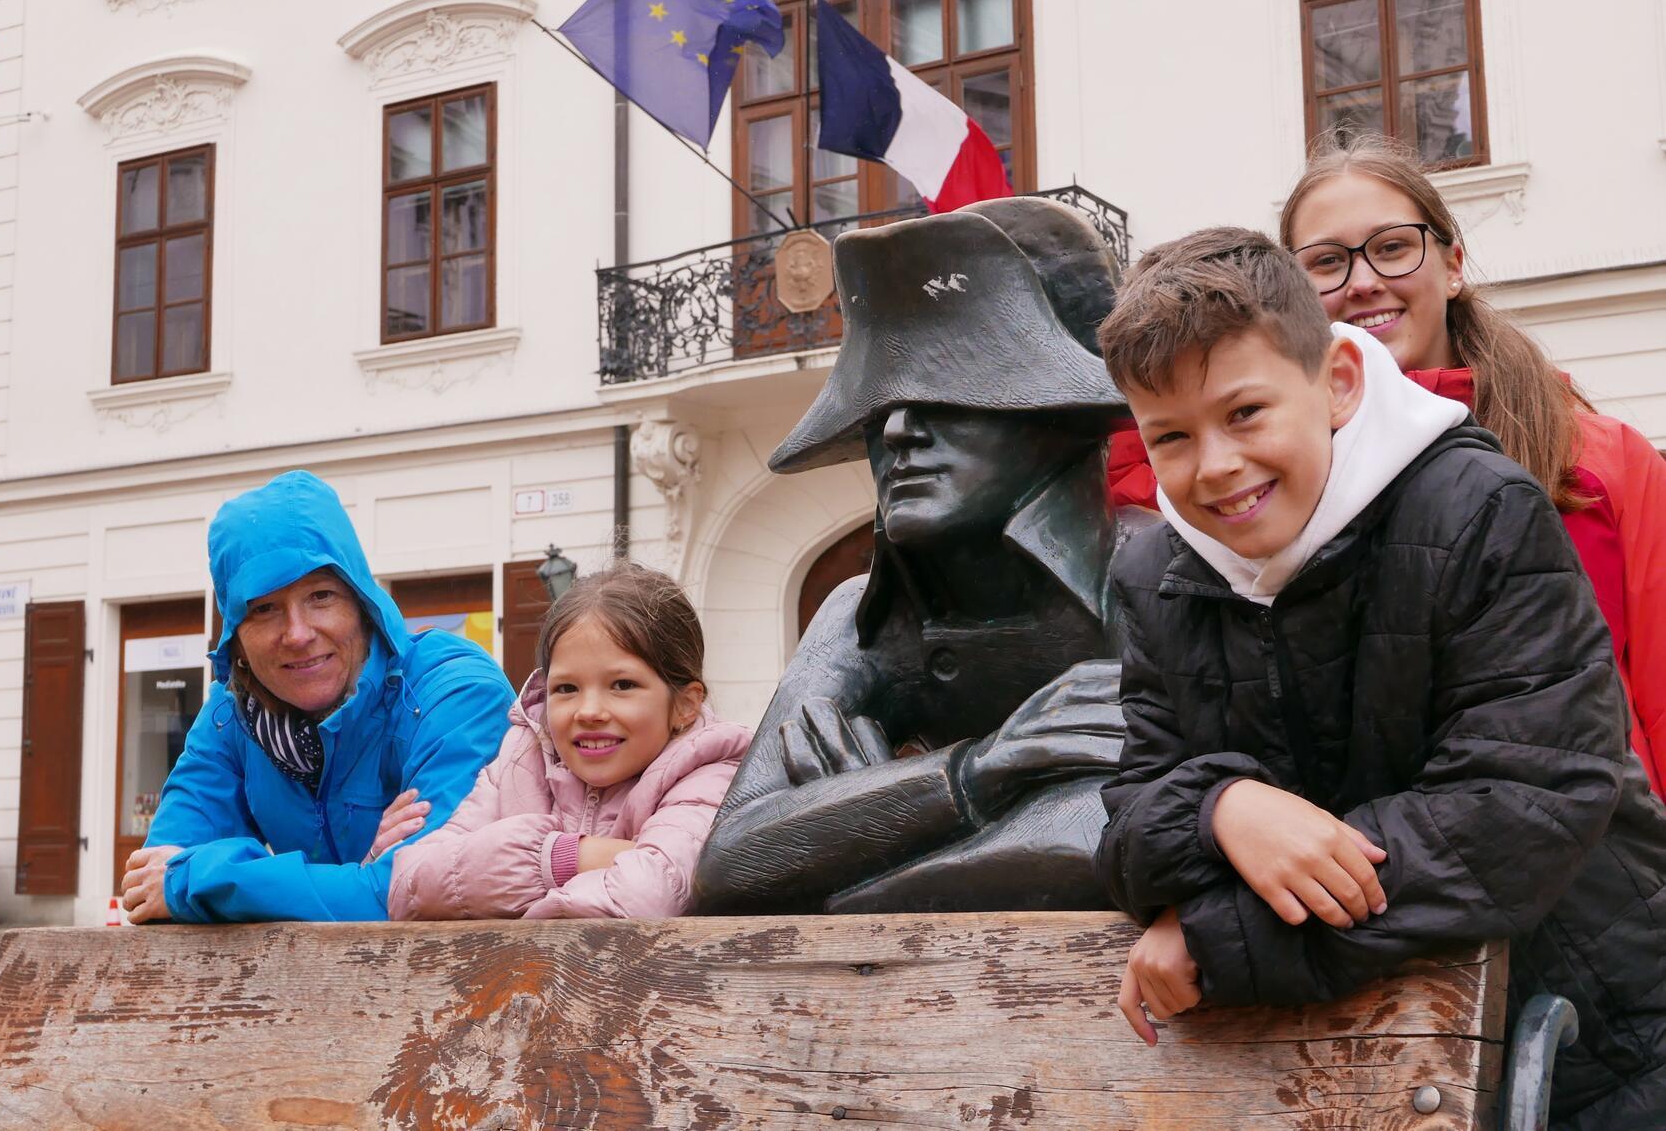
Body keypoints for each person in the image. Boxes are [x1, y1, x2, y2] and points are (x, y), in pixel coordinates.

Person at [1089, 228, 1666, 1128]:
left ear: (1337, 384)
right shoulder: (1155, 571)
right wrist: (1223, 811)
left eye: (1244, 413)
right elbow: (1131, 806)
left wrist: (1217, 932)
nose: (1214, 467)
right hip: (1347, 1059)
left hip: (1591, 1043)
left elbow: (1523, 804)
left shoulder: (1479, 509)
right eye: (1170, 435)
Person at [1110, 134, 1666, 796]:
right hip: (1345, 857)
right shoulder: (1228, 483)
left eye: (1392, 247)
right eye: (1325, 262)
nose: (1363, 281)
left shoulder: (1598, 459)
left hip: (1576, 845)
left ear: (1452, 263)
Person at [694, 198, 1130, 915]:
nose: (895, 430)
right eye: (878, 406)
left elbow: (1109, 828)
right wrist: (980, 770)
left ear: (1056, 416)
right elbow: (733, 861)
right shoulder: (860, 615)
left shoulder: (1152, 575)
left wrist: (864, 845)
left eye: (947, 393)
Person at [119, 471, 513, 923]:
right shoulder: (233, 716)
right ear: (237, 636)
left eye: (321, 596)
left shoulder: (455, 695)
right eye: (264, 609)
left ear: (362, 603)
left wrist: (207, 880)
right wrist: (359, 878)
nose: (298, 634)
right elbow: (150, 887)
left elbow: (426, 890)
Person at [388, 564, 751, 920]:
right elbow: (409, 884)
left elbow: (649, 893)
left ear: (685, 705)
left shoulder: (710, 772)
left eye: (622, 685)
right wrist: (567, 857)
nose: (588, 711)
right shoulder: (519, 761)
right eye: (566, 688)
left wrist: (503, 891)